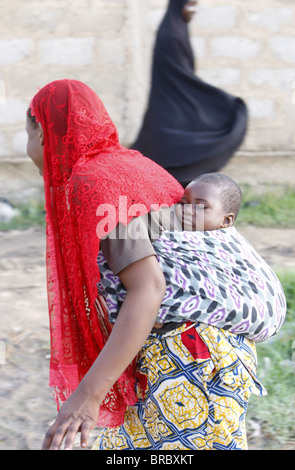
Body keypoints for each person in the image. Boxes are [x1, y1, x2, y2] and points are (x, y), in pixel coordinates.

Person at [25, 78, 184, 450]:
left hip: (182, 358)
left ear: (44, 131)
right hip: (210, 350)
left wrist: (88, 397)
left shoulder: (95, 183)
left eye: (29, 134)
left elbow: (149, 286)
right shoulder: (136, 165)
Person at [91, 174, 286, 450]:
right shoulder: (173, 239)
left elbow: (157, 284)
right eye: (182, 202)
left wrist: (156, 305)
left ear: (226, 221)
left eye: (200, 206)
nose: (185, 211)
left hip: (207, 365)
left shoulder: (223, 246)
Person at [131, 0, 248, 187]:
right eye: (190, 4)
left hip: (170, 101)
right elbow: (181, 75)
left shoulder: (177, 28)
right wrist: (225, 102)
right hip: (170, 100)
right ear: (178, 5)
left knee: (161, 149)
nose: (194, 10)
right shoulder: (172, 35)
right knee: (163, 148)